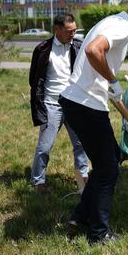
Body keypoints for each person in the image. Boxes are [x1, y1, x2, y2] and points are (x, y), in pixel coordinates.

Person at [60, 0, 128, 245]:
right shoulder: (123, 28)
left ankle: (81, 216)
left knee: (110, 160)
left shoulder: (111, 22)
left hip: (79, 102)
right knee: (108, 169)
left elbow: (101, 75)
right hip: (86, 105)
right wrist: (114, 81)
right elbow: (95, 51)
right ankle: (99, 233)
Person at [28, 14, 89, 193]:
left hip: (74, 103)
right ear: (57, 30)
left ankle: (83, 178)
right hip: (51, 104)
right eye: (69, 31)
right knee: (45, 146)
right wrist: (40, 105)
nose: (73, 34)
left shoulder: (79, 46)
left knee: (81, 144)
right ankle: (38, 181)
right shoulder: (42, 49)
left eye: (75, 30)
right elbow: (35, 79)